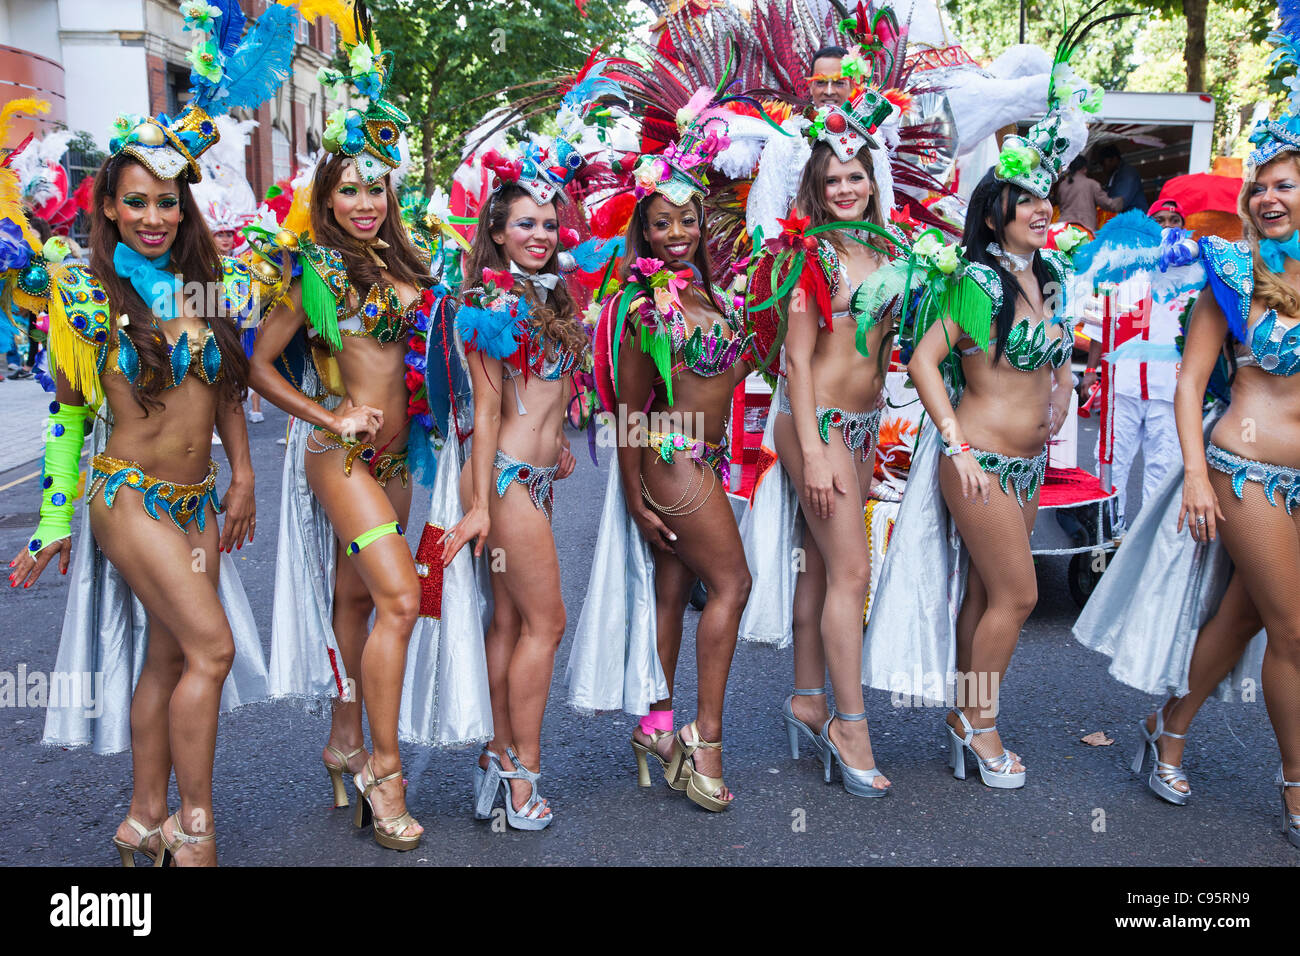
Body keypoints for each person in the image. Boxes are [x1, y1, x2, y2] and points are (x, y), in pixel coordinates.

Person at [4, 0, 288, 864]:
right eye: (138, 204)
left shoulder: (213, 286)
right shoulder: (83, 300)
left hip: (199, 501)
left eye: (168, 203)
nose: (155, 217)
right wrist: (54, 518)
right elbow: (67, 413)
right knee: (215, 649)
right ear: (112, 209)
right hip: (128, 499)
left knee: (169, 662)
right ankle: (195, 830)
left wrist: (243, 478)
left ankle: (142, 818)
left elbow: (230, 390)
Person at [1075, 20, 1300, 847]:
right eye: (1261, 186)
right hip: (1247, 472)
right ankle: (1297, 788)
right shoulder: (1233, 273)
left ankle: (1167, 729)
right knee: (1296, 630)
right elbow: (1186, 379)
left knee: (1246, 618)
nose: (1269, 197)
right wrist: (1200, 479)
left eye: (1286, 184)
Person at [862, 47, 1098, 788]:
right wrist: (957, 446)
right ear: (995, 210)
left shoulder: (1049, 274)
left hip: (1025, 463)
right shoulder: (977, 280)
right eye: (1023, 198)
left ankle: (965, 715)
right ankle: (980, 723)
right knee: (1021, 594)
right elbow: (923, 363)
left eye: (1043, 196)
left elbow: (1058, 350)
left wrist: (1064, 389)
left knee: (984, 594)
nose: (1039, 207)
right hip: (981, 461)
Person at [247, 16, 435, 852]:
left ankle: (342, 736)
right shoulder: (310, 269)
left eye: (376, 189)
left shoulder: (411, 265)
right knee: (402, 597)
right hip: (340, 455)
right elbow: (257, 365)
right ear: (325, 197)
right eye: (349, 190)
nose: (364, 203)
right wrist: (329, 416)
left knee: (358, 599)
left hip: (398, 458)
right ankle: (382, 770)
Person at [443, 76, 618, 828]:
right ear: (499, 230)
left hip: (537, 476)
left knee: (510, 625)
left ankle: (494, 752)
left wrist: (561, 437)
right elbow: (484, 413)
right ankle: (521, 774)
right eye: (525, 224)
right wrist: (479, 504)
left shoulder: (549, 294)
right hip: (506, 481)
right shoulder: (487, 303)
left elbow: (543, 390)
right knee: (548, 624)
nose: (541, 234)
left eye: (549, 222)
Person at [1074, 209, 1203, 532]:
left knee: (1162, 470)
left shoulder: (1194, 273)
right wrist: (1090, 372)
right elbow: (1103, 325)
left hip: (1168, 389)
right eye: (1161, 220)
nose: (1168, 227)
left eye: (1175, 221)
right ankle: (1107, 533)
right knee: (1111, 464)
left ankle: (1147, 544)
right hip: (1124, 386)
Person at [1054, 155, 1122, 232]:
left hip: (1064, 228)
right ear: (1084, 169)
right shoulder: (1091, 184)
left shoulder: (1062, 185)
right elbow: (1108, 204)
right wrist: (1122, 200)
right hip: (1085, 228)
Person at [1096, 143, 1145, 213]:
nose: (1102, 168)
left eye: (1103, 163)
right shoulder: (1116, 174)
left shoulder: (1127, 174)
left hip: (1134, 220)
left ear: (1114, 159)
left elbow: (1119, 203)